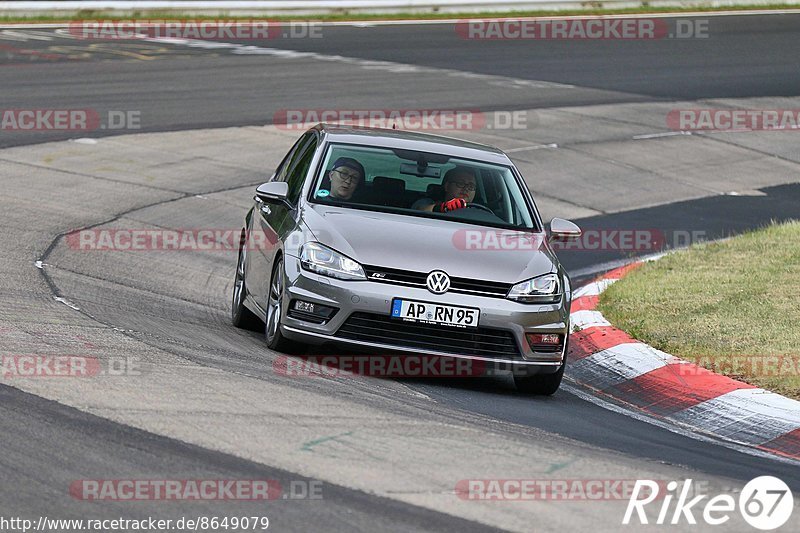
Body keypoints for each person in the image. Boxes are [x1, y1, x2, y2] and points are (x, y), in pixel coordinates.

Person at [413, 166, 477, 212]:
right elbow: (420, 209)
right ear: (447, 186)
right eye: (461, 183)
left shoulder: (479, 211)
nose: (466, 189)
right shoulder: (427, 202)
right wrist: (443, 207)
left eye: (471, 186)